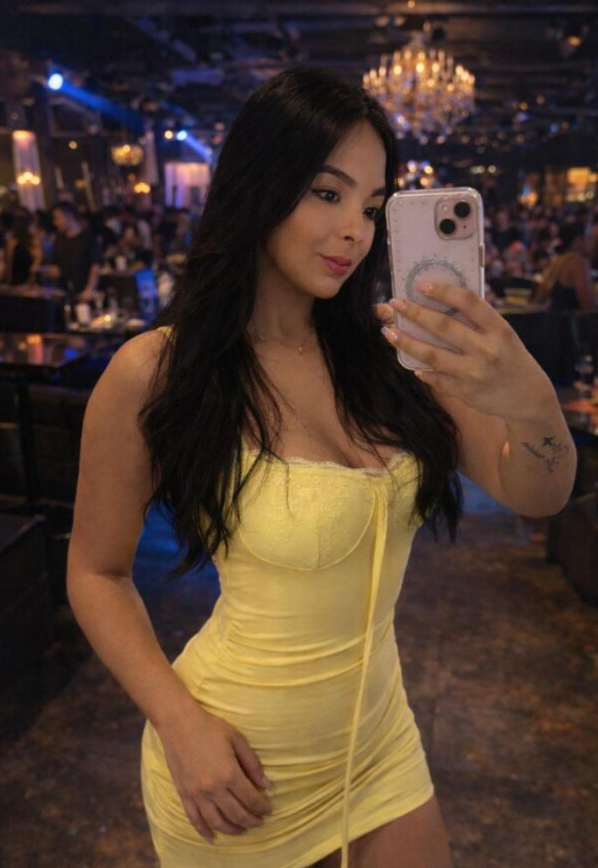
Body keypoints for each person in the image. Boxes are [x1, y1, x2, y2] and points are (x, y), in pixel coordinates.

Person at [67, 67, 576, 868]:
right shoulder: (156, 370)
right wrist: (179, 722)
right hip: (236, 770)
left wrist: (532, 400)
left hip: (380, 746)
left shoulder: (393, 354)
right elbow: (95, 572)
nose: (355, 232)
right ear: (260, 187)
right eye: (327, 194)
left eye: (372, 207)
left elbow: (536, 491)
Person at [40, 201, 101, 302]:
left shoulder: (88, 238)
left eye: (58, 219)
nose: (55, 223)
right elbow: (57, 266)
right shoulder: (58, 239)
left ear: (69, 217)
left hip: (85, 293)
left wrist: (89, 289)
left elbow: (95, 266)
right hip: (65, 293)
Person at [535, 222, 596, 311]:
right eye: (590, 238)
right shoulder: (579, 263)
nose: (594, 243)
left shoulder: (557, 261)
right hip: (570, 319)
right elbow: (588, 305)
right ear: (578, 241)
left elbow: (541, 296)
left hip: (554, 317)